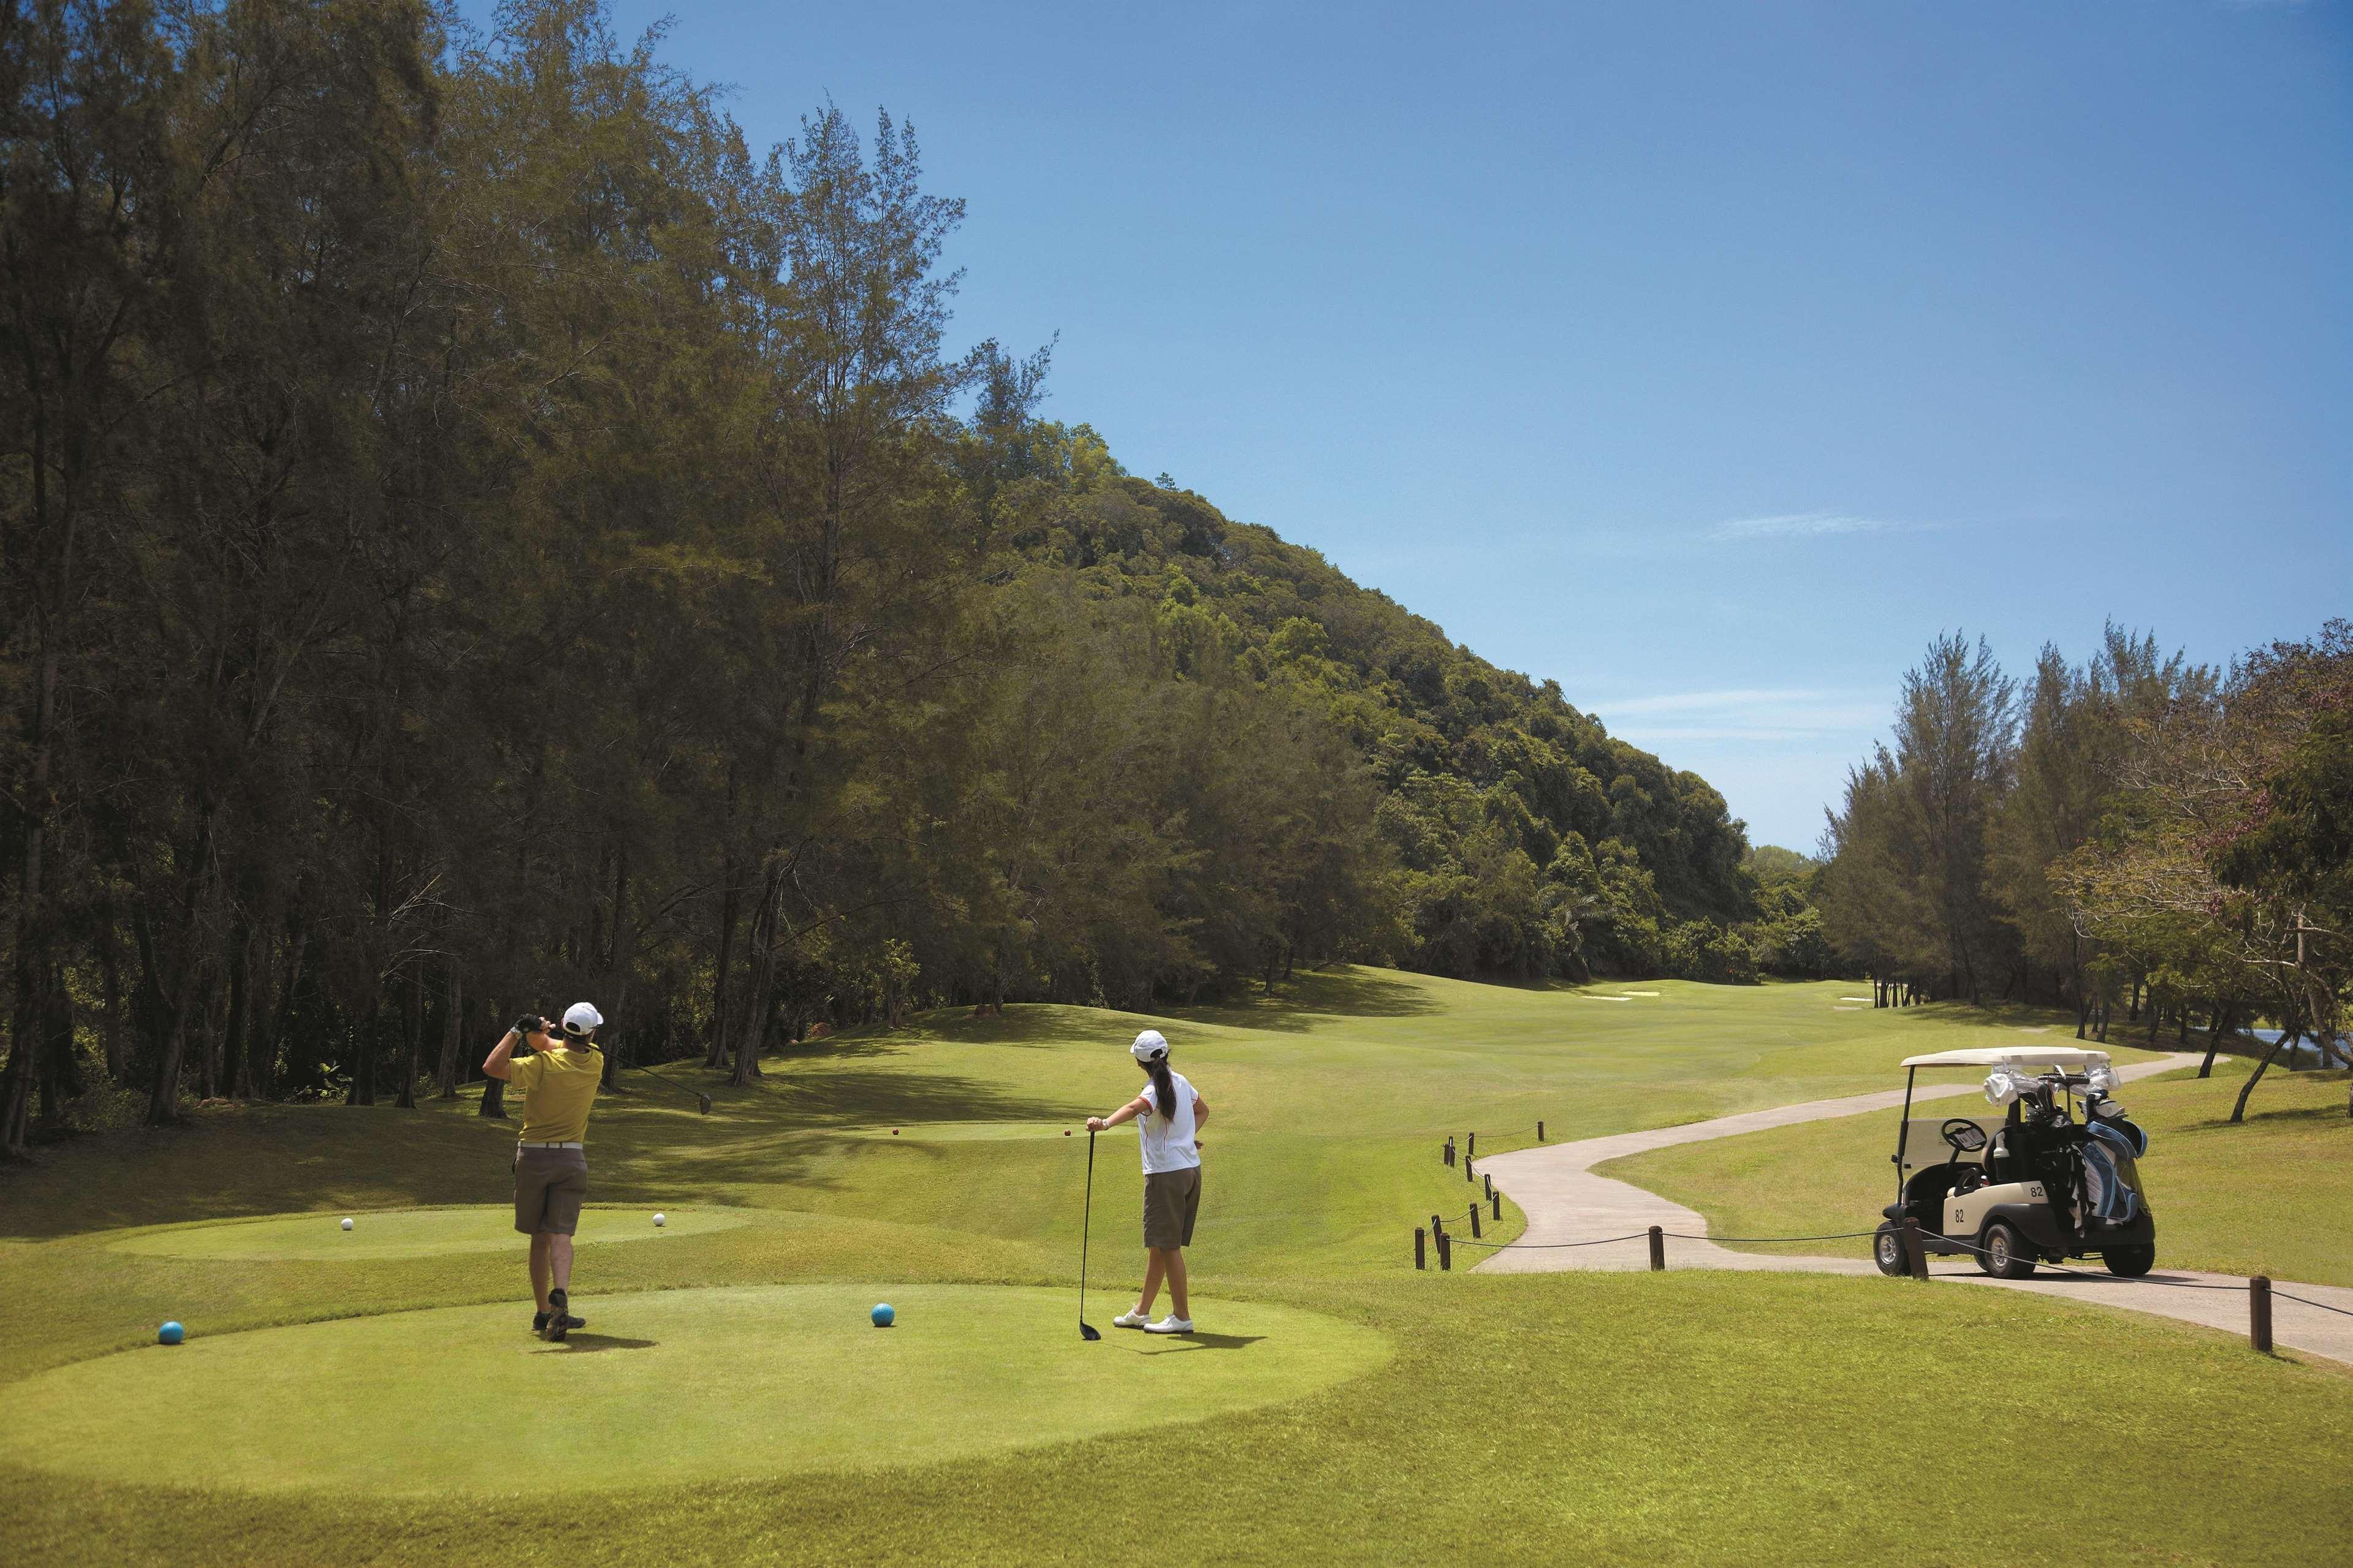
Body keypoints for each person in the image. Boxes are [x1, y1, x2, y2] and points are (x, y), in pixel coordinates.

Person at [484, 1002, 606, 1341]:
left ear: (564, 1026)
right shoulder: (595, 1061)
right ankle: (561, 1297)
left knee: (539, 1237)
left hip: (534, 1158)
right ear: (592, 1033)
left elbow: (492, 1066)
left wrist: (517, 1031)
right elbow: (556, 1046)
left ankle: (542, 1313)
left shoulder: (540, 1066)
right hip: (572, 1160)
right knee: (561, 1234)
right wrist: (540, 1034)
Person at [1086, 1028, 1207, 1335]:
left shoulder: (1154, 1089)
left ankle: (1181, 1316)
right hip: (1190, 1170)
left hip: (1167, 1175)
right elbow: (1202, 1110)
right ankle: (1141, 1312)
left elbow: (1135, 1107)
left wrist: (1105, 1124)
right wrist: (1186, 1139)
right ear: (1166, 1054)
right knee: (1160, 1245)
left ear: (1140, 1062)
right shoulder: (1181, 1081)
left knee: (1168, 1248)